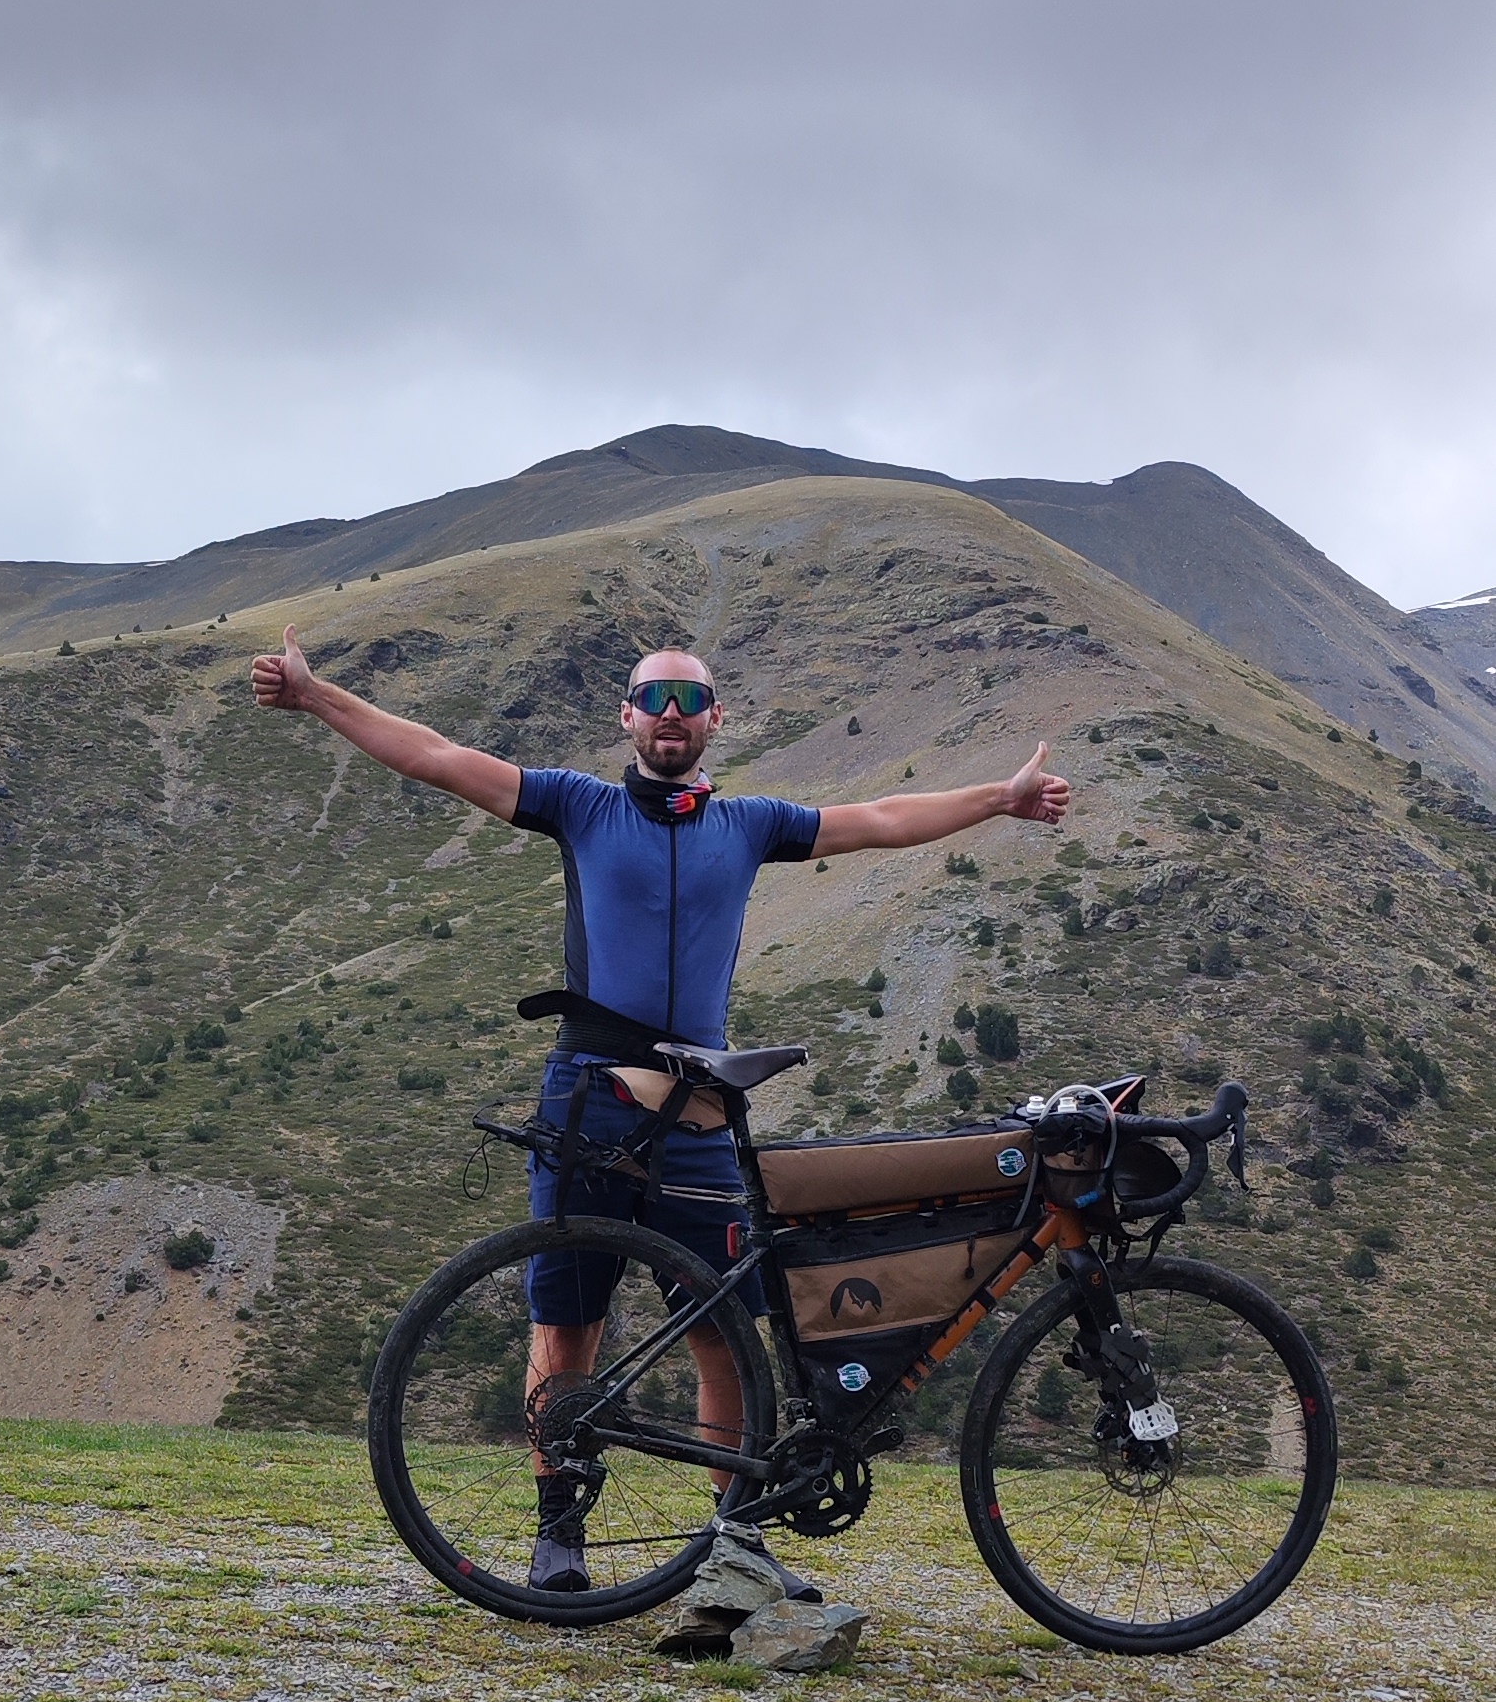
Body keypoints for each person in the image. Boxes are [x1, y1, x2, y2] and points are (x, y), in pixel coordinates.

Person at [252, 627, 1070, 1593]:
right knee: (568, 1327)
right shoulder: (577, 805)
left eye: (691, 701)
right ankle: (559, 1531)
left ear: (717, 720)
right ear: (627, 716)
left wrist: (1001, 800)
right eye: (655, 699)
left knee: (723, 1335)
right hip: (591, 1100)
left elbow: (883, 817)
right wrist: (315, 697)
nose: (672, 717)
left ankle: (734, 1543)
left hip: (699, 1121)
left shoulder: (753, 823)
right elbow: (435, 755)